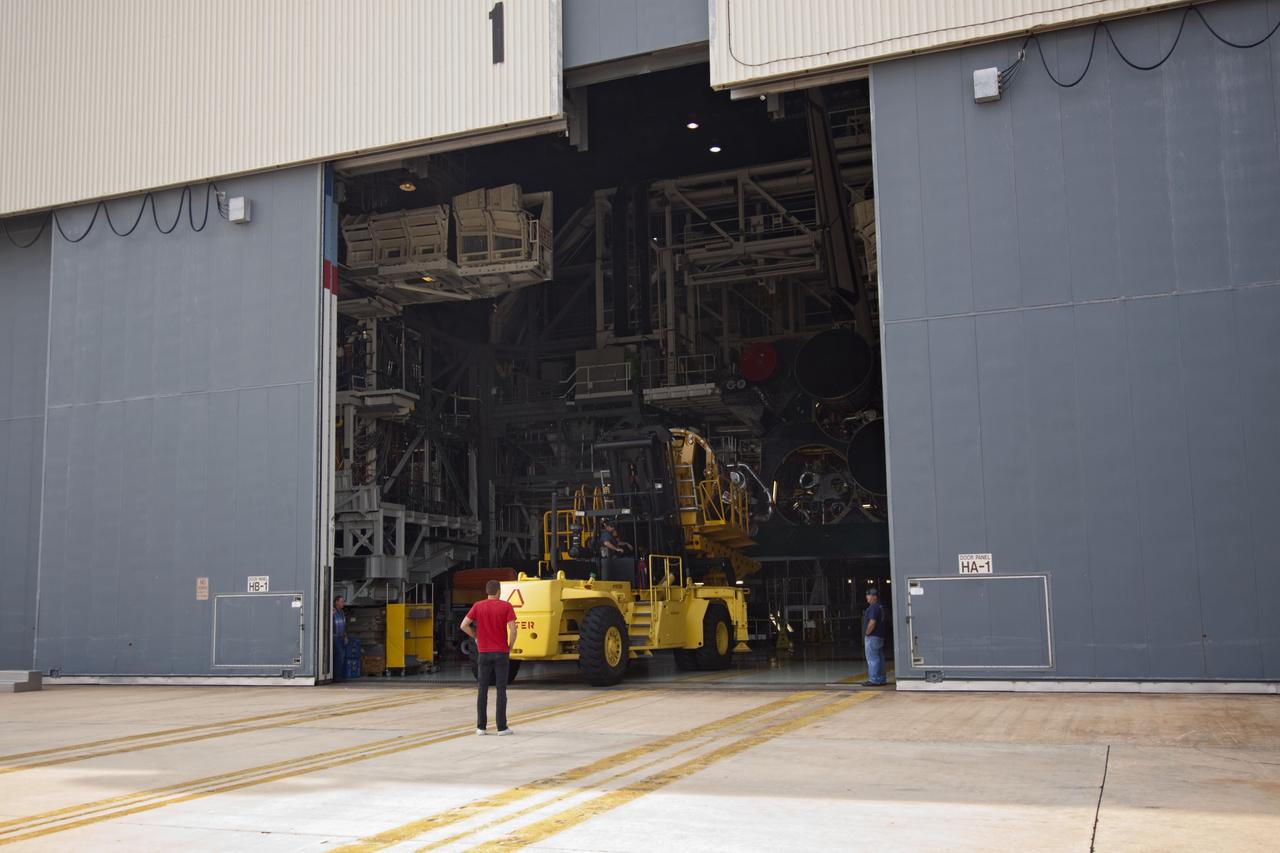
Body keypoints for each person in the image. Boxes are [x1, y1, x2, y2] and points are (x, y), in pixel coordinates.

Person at [461, 580, 519, 735]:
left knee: (482, 689)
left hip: (484, 653)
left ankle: (481, 727)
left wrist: (476, 636)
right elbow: (513, 630)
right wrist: (510, 646)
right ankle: (502, 727)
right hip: (501, 653)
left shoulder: (478, 606)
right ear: (499, 591)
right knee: (501, 690)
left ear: (487, 592)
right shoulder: (506, 606)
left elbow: (464, 625)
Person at [861, 587, 888, 686]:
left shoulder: (873, 607)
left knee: (872, 658)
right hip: (879, 636)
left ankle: (874, 679)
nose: (866, 597)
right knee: (879, 658)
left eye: (868, 595)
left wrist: (867, 633)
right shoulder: (881, 607)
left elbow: (872, 622)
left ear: (874, 597)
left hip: (873, 637)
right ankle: (881, 678)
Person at [332, 595, 347, 683]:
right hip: (335, 637)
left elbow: (344, 625)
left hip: (341, 637)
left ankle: (338, 675)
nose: (343, 603)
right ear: (336, 602)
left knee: (340, 656)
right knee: (340, 654)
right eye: (341, 601)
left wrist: (345, 636)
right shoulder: (333, 611)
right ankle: (337, 676)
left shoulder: (341, 612)